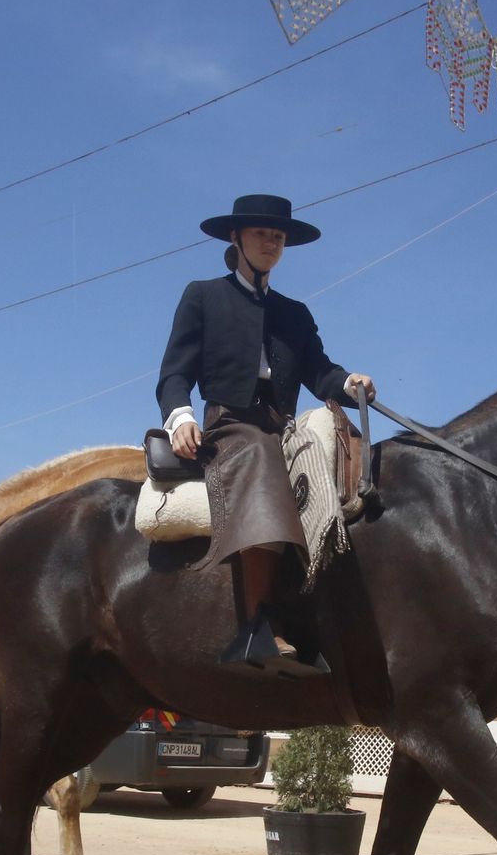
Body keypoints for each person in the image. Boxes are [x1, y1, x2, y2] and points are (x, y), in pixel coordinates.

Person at [156, 194, 376, 675]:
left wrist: (348, 383)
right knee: (260, 454)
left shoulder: (294, 313)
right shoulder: (202, 295)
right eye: (262, 233)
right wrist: (180, 417)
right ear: (236, 238)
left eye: (279, 236)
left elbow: (320, 371)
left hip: (283, 425)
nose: (272, 242)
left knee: (342, 461)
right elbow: (174, 373)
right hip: (229, 425)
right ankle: (255, 627)